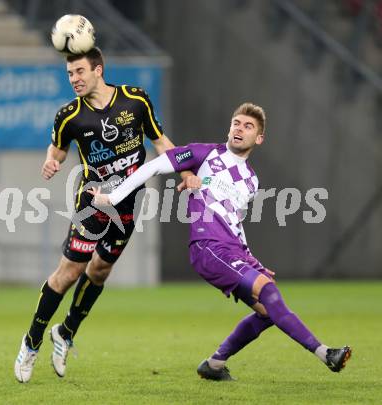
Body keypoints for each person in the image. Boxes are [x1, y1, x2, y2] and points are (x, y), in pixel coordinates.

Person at [90, 102, 352, 380]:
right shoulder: (204, 153)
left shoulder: (251, 180)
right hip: (207, 248)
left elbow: (235, 223)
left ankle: (214, 364)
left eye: (248, 126)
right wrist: (111, 197)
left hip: (231, 250)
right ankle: (326, 354)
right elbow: (153, 167)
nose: (240, 129)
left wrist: (252, 260)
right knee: (270, 294)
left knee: (267, 311)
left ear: (258, 138)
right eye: (236, 123)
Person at [14, 47, 199, 383]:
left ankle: (65, 333)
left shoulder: (135, 100)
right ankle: (31, 342)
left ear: (98, 70)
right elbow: (56, 149)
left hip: (127, 205)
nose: (74, 79)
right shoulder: (69, 116)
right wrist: (51, 161)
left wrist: (185, 172)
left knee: (99, 272)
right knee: (69, 273)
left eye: (80, 72)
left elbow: (160, 142)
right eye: (70, 74)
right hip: (93, 204)